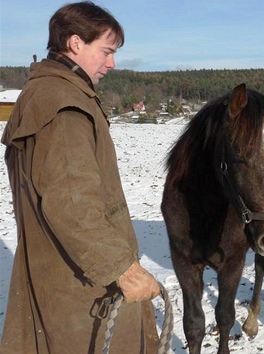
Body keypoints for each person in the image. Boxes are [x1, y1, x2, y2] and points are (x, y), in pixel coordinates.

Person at [1, 2, 161, 353]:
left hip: (56, 269)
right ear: (75, 43)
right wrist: (122, 269)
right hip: (81, 289)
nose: (112, 63)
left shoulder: (42, 93)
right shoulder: (64, 106)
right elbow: (72, 204)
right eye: (106, 51)